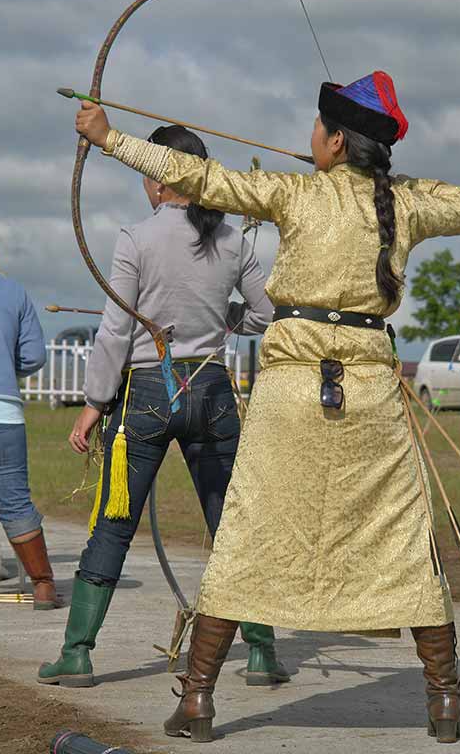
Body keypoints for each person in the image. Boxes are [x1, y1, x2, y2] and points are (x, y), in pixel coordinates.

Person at [73, 71, 460, 744]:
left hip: (293, 390)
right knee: (403, 538)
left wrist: (109, 138)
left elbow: (198, 178)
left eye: (319, 129)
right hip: (370, 392)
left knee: (246, 533)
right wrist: (388, 186)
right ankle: (443, 700)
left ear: (335, 140)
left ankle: (198, 700)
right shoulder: (399, 205)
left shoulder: (294, 192)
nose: (311, 137)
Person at [38, 125, 289, 689]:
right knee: (231, 524)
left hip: (147, 394)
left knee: (113, 525)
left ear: (158, 178)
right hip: (212, 391)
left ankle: (77, 654)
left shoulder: (137, 237)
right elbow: (265, 314)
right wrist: (223, 319)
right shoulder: (233, 240)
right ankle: (261, 652)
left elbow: (114, 331)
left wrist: (93, 403)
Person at [0, 234, 62, 608]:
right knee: (15, 501)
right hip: (3, 413)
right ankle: (43, 584)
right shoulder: (14, 292)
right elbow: (34, 356)